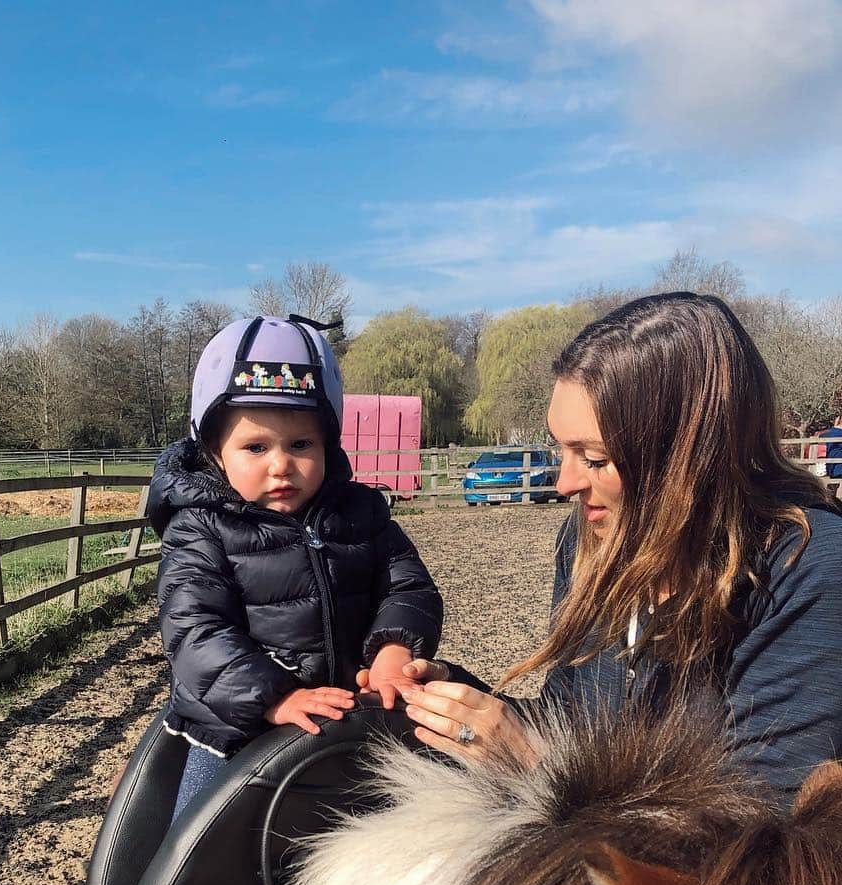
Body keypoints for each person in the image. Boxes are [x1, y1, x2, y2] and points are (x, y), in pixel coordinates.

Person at [81, 314, 443, 885]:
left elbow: (406, 586)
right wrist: (272, 694)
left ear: (330, 445)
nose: (282, 466)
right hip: (235, 736)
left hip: (342, 729)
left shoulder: (361, 516)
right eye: (255, 447)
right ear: (213, 448)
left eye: (301, 445)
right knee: (195, 877)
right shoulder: (200, 531)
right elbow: (195, 632)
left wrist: (392, 644)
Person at [361, 293, 842, 804]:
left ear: (688, 456)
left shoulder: (808, 566)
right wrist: (463, 707)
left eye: (594, 457)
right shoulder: (590, 538)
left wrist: (534, 763)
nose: (564, 482)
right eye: (560, 448)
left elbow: (764, 829)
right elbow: (572, 722)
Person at [819, 413, 842, 500]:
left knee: (832, 488)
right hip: (838, 467)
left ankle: (828, 501)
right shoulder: (838, 433)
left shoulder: (829, 433)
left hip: (832, 467)